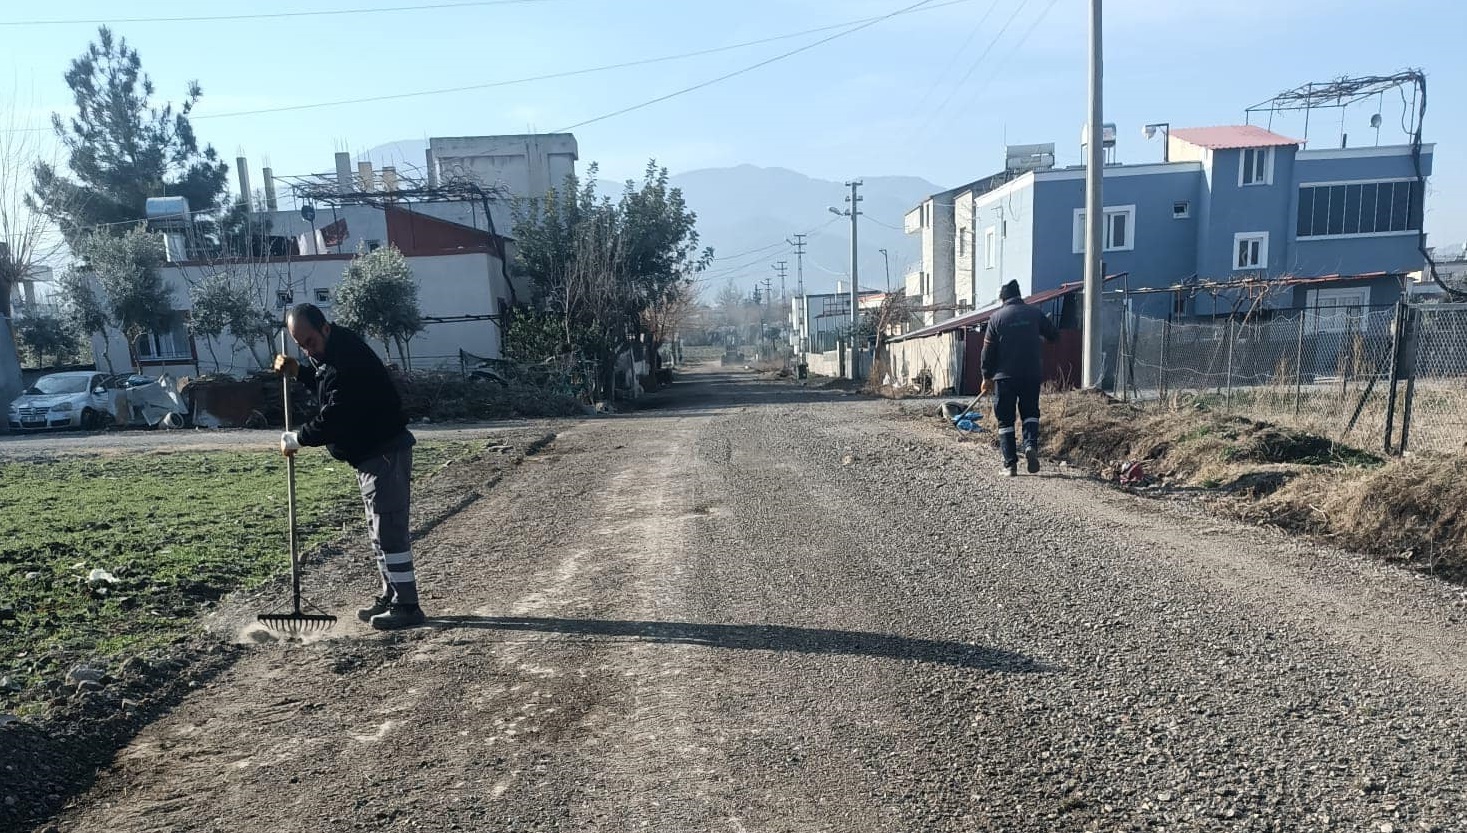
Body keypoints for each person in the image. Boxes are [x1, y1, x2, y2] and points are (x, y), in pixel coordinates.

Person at [273, 303, 425, 630]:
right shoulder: (332, 353)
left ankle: (408, 606)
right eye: (300, 344)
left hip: (383, 451)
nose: (307, 349)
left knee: (389, 532)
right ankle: (392, 595)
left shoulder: (348, 361)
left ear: (325, 328)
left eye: (310, 341)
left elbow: (337, 413)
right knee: (378, 532)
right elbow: (326, 386)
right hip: (368, 454)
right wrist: (299, 371)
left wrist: (299, 438)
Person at [980, 280, 1060, 477]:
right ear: (1020, 295)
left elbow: (987, 352)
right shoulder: (1034, 313)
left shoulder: (996, 318)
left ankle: (1010, 465)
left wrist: (986, 376)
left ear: (1003, 299)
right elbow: (1054, 335)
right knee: (1031, 413)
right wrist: (1039, 336)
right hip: (1031, 374)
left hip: (1004, 377)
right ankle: (1030, 446)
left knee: (1005, 420)